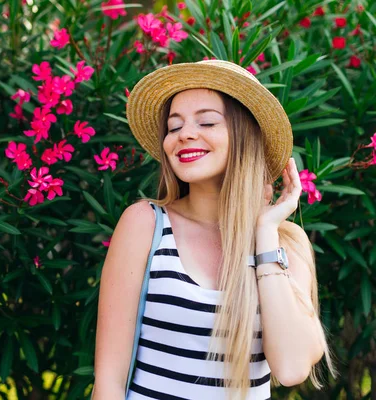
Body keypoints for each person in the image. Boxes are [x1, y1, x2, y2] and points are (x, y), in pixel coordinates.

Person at [92, 60, 337, 400]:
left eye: (207, 121)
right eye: (173, 126)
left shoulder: (285, 245)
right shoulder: (146, 224)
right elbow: (108, 382)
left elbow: (292, 367)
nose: (184, 134)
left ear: (244, 138)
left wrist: (264, 230)